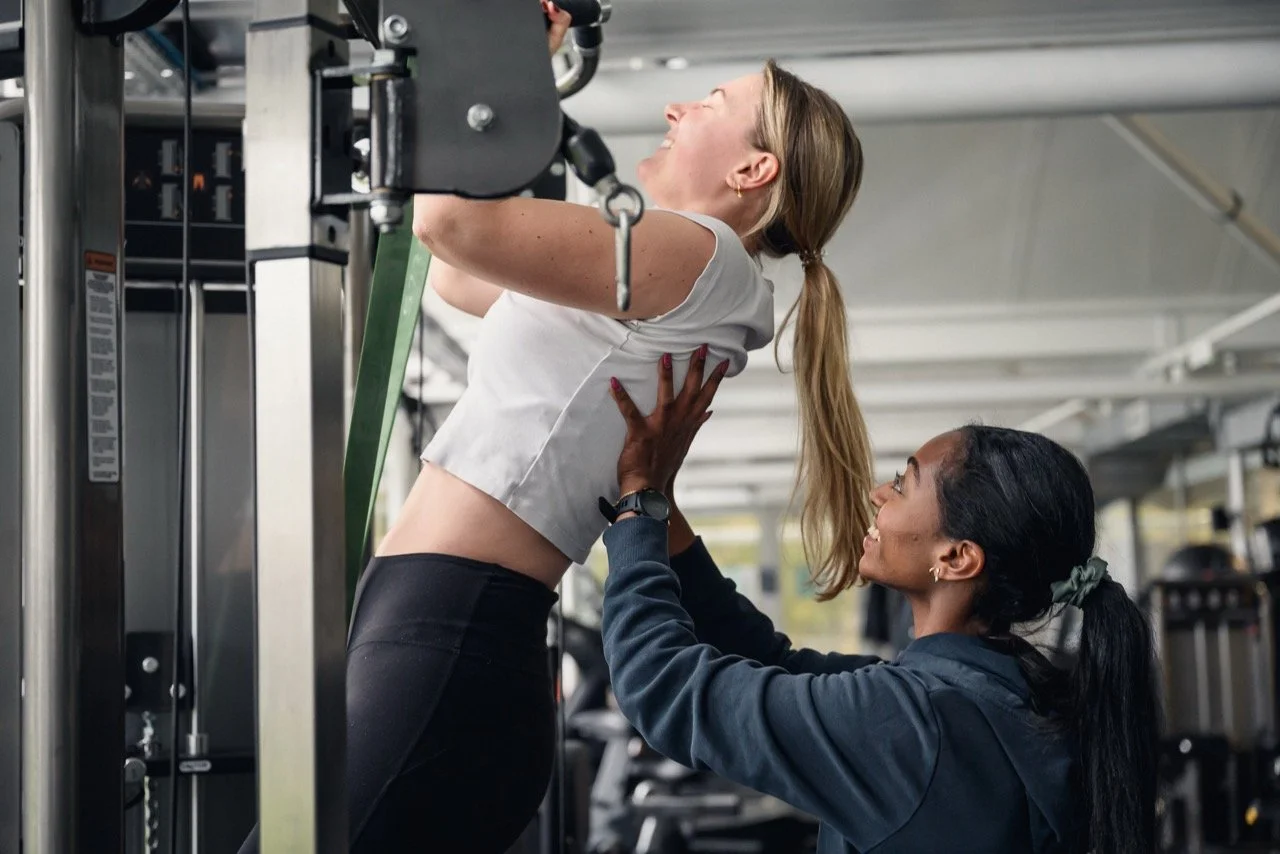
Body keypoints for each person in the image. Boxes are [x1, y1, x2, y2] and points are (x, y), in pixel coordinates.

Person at [238, 2, 875, 850]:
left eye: (712, 102)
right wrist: (497, 88)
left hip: (451, 630)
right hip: (439, 626)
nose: (678, 108)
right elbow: (460, 274)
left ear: (756, 168)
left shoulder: (706, 253)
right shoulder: (680, 276)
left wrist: (498, 71)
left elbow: (448, 225)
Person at [597, 350, 1162, 854]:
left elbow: (663, 686)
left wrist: (638, 507)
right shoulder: (1007, 691)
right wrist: (661, 503)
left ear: (958, 558)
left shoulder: (912, 723)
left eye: (902, 482)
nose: (877, 494)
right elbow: (775, 664)